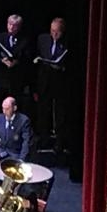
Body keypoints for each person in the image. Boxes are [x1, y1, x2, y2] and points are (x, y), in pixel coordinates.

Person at [35, 17, 70, 153]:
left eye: (57, 32)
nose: (54, 34)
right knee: (43, 111)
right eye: (52, 31)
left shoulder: (66, 43)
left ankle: (59, 142)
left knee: (59, 114)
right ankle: (43, 139)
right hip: (44, 82)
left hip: (60, 83)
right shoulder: (43, 39)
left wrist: (61, 67)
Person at [0, 14, 31, 109]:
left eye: (14, 25)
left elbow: (27, 58)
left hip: (16, 79)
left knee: (16, 104)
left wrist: (16, 62)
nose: (11, 27)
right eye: (9, 24)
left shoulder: (24, 40)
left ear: (19, 27)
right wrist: (1, 60)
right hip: (1, 78)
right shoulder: (0, 38)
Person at [0, 96, 33, 164]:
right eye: (3, 108)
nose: (4, 112)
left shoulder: (24, 120)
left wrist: (21, 160)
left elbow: (26, 142)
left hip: (15, 155)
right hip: (0, 153)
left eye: (7, 109)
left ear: (14, 108)